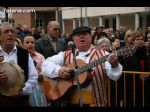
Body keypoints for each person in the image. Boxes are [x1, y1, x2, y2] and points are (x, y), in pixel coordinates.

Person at [42, 26, 123, 107]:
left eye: (84, 34)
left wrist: (115, 64)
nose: (81, 36)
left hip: (95, 103)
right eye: (78, 35)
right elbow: (45, 65)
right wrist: (58, 70)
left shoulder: (104, 55)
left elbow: (115, 76)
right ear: (73, 39)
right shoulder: (65, 55)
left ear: (91, 37)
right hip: (69, 102)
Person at [0, 22, 38, 106]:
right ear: (0, 36)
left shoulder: (24, 53)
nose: (10, 34)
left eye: (12, 32)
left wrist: (22, 91)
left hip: (20, 102)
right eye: (6, 31)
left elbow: (33, 77)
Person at [23, 35, 47, 106]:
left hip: (39, 87)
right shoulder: (20, 56)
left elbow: (45, 70)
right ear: (23, 44)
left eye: (32, 42)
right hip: (25, 87)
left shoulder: (40, 56)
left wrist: (41, 74)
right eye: (27, 42)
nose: (30, 44)